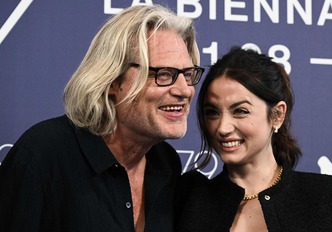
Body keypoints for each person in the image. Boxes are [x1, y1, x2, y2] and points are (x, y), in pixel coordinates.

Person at [0, 4, 204, 232]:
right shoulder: (43, 155)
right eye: (164, 74)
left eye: (187, 75)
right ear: (113, 81)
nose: (185, 90)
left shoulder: (165, 163)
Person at [176, 47, 332, 231]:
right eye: (212, 112)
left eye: (240, 111)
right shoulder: (187, 202)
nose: (222, 128)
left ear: (277, 115)